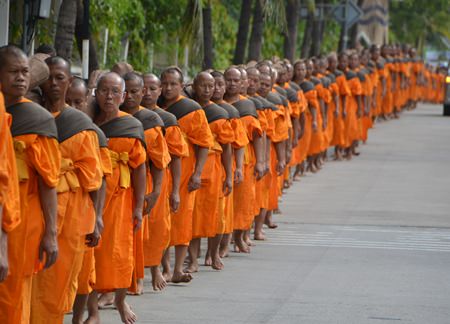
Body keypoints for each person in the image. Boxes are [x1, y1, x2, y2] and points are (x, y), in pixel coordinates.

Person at [29, 56, 102, 324]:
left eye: (61, 77)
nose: (54, 83)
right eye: (48, 77)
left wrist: (97, 219)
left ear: (70, 81)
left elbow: (94, 178)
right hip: (33, 206)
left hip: (73, 213)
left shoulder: (80, 125)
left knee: (58, 279)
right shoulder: (29, 116)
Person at [0, 45, 60, 323]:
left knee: (12, 292)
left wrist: (51, 232)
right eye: (13, 72)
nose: (21, 78)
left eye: (25, 72)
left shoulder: (38, 119)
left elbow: (49, 181)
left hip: (23, 221)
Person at [92, 72, 147, 324]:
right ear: (96, 93)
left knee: (122, 253)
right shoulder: (88, 121)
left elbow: (140, 168)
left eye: (115, 91)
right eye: (104, 90)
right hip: (92, 196)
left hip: (121, 198)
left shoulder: (131, 125)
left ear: (124, 96)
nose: (109, 96)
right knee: (92, 252)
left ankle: (120, 300)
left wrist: (139, 206)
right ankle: (92, 311)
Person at [159, 67, 214, 282]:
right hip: (162, 171)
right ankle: (164, 266)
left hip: (185, 172)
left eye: (173, 84)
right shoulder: (156, 107)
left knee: (182, 220)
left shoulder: (191, 109)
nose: (168, 88)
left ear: (182, 86)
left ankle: (177, 268)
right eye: (165, 83)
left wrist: (197, 173)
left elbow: (204, 144)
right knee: (161, 221)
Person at [121, 72, 171, 295]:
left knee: (149, 232)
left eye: (135, 92)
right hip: (121, 184)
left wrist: (156, 191)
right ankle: (129, 278)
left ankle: (147, 272)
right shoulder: (113, 117)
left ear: (143, 92)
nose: (130, 97)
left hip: (147, 180)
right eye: (127, 92)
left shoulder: (151, 121)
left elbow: (160, 162)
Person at [67, 78, 111, 324]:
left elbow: (100, 179)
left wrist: (98, 216)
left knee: (85, 270)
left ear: (87, 102)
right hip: (59, 205)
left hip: (83, 208)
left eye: (78, 101)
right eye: (69, 101)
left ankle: (81, 317)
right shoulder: (53, 124)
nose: (73, 106)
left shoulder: (92, 133)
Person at [141, 73, 189, 289]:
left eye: (153, 88)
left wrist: (175, 190)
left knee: (159, 227)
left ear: (158, 90)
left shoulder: (166, 119)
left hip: (159, 178)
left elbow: (176, 157)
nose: (147, 93)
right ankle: (136, 277)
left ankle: (159, 269)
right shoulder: (126, 116)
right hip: (135, 180)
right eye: (143, 88)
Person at [186, 72, 234, 272]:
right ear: (195, 87)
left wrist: (230, 175)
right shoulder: (188, 110)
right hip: (192, 165)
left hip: (214, 169)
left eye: (211, 86)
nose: (207, 90)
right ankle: (193, 259)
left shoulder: (219, 113)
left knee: (214, 214)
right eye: (203, 86)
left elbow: (228, 147)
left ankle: (213, 254)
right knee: (193, 215)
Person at [223, 67, 264, 253]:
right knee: (225, 203)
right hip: (222, 159)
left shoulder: (247, 106)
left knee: (243, 200)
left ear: (242, 83)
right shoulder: (218, 106)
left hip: (244, 159)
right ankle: (224, 242)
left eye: (235, 80)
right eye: (228, 80)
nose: (231, 84)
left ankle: (239, 237)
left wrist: (262, 161)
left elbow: (258, 136)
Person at [210, 71, 249, 258]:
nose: (217, 88)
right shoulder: (200, 108)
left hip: (226, 162)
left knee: (225, 208)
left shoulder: (232, 111)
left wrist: (239, 167)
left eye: (220, 84)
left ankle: (223, 246)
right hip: (207, 164)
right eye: (214, 84)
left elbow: (239, 143)